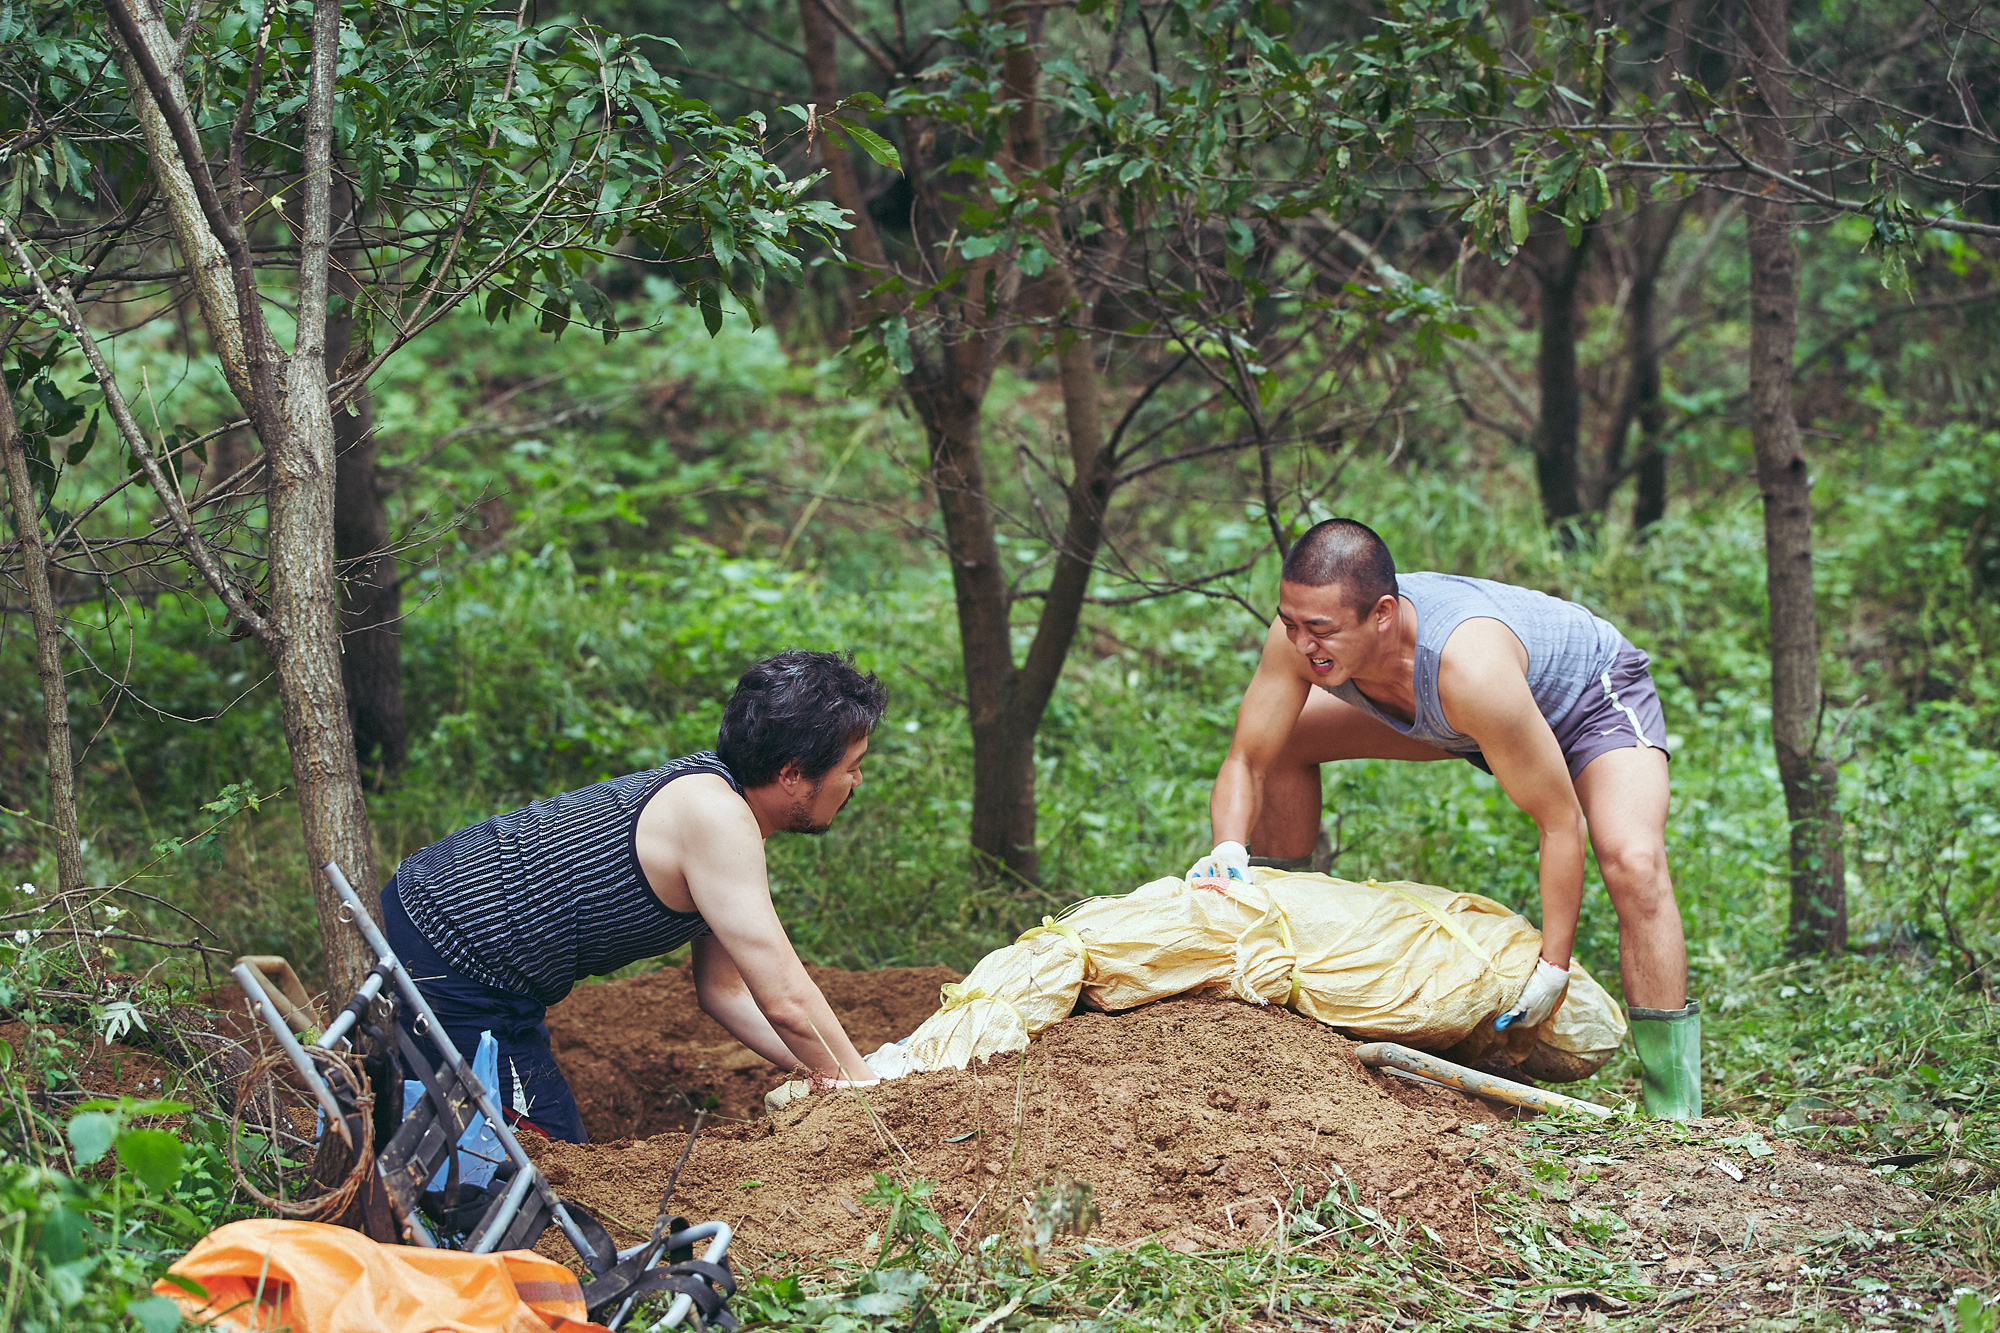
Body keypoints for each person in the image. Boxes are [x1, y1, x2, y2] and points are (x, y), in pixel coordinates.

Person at [1188, 519, 1701, 1118]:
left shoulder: (1468, 666)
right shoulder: (1304, 641)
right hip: (1466, 722)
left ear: (1382, 613)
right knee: (1284, 744)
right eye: (1290, 623)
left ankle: (1676, 1113)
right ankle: (1270, 932)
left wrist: (1552, 969)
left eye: (1320, 631)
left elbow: (1559, 822)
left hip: (1585, 702)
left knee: (1633, 862)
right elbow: (1246, 758)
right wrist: (1228, 850)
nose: (1302, 646)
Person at [382, 650, 888, 1142]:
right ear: (793, 774)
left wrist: (829, 1075)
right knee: (540, 1176)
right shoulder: (718, 819)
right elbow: (787, 1002)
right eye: (852, 766)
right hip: (451, 953)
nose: (857, 781)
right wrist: (874, 1097)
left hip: (455, 937)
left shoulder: (721, 803)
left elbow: (724, 992)